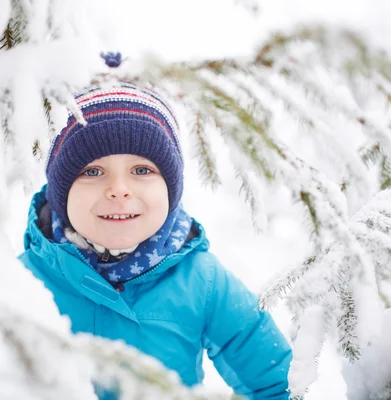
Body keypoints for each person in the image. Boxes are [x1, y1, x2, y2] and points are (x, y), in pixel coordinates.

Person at [19, 82, 292, 399]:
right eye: (92, 171)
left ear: (170, 189)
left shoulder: (201, 280)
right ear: (60, 192)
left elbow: (277, 383)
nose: (119, 189)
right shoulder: (21, 281)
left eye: (141, 169)